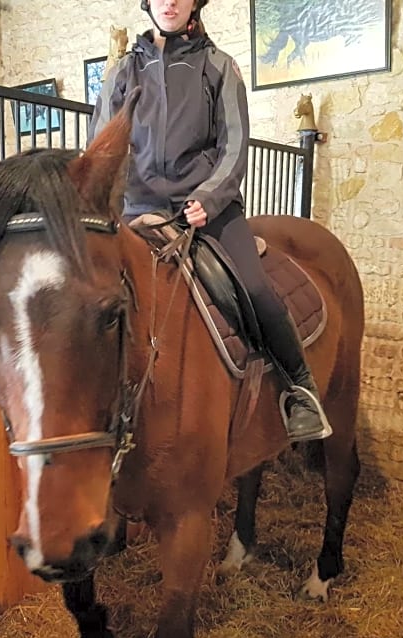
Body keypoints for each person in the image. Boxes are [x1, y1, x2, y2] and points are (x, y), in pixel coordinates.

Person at [89, 0, 330, 442]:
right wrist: (106, 202)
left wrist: (210, 196)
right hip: (136, 211)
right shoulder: (122, 73)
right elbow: (102, 148)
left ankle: (299, 388)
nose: (169, 2)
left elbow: (235, 145)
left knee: (256, 288)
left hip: (205, 209)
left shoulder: (220, 66)